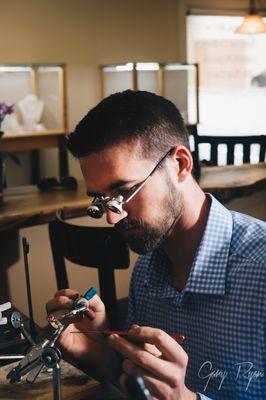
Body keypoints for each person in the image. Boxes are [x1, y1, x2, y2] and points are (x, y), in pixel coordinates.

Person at [46, 90, 266, 400]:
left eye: (123, 191)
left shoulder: (260, 272)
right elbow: (146, 389)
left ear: (180, 164)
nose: (112, 217)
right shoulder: (147, 269)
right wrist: (105, 359)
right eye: (101, 200)